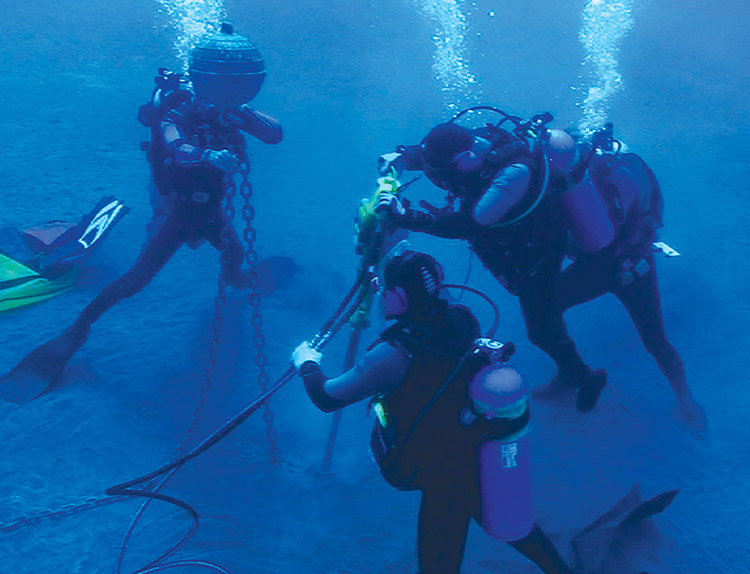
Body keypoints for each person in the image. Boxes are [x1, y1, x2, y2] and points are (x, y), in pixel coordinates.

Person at [0, 23, 282, 401]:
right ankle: (77, 330)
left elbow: (274, 134)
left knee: (235, 258)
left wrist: (242, 115)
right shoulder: (177, 111)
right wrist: (210, 155)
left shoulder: (231, 111)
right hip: (178, 211)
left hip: (211, 210)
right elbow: (177, 146)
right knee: (135, 280)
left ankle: (240, 285)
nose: (229, 94)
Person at [292, 249, 574, 574]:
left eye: (387, 291)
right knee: (508, 520)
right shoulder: (462, 318)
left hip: (441, 468)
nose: (382, 296)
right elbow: (429, 301)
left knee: (439, 562)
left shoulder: (391, 355)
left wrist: (307, 363)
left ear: (399, 297)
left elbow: (327, 398)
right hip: (474, 444)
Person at [376, 116, 607, 413]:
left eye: (442, 173)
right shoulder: (472, 145)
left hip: (538, 257)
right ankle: (571, 368)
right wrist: (403, 157)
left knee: (540, 330)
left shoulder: (513, 174)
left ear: (465, 158)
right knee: (546, 320)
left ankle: (585, 378)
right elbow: (433, 158)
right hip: (515, 244)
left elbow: (471, 222)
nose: (440, 178)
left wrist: (408, 217)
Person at [532, 127, 707, 432]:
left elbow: (637, 222)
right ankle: (572, 373)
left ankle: (684, 398)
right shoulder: (609, 169)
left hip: (622, 269)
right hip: (619, 266)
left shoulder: (613, 174)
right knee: (548, 309)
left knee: (654, 339)